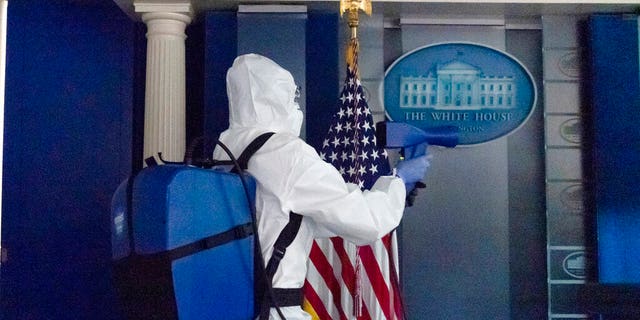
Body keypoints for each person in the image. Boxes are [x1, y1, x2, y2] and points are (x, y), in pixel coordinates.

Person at [213, 53, 429, 320]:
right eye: (292, 95)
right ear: (277, 96)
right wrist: (398, 182)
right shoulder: (285, 152)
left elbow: (289, 218)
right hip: (276, 311)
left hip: (232, 307)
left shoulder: (226, 150)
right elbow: (366, 221)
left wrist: (389, 190)